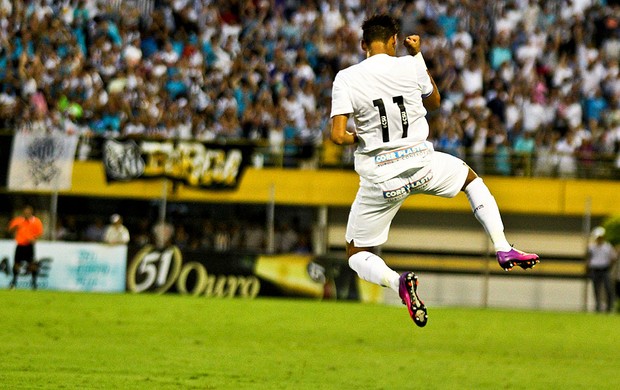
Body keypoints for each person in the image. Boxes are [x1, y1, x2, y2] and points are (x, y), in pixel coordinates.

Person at [329, 14, 540, 327]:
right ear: (393, 41)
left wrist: (357, 136)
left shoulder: (346, 78)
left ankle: (397, 282)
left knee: (356, 252)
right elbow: (436, 101)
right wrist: (417, 56)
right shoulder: (410, 63)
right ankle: (502, 247)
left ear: (363, 45)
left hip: (380, 176)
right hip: (421, 162)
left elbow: (336, 136)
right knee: (471, 179)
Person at [8, 205, 44, 290]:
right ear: (23, 212)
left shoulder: (36, 221)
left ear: (31, 212)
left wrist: (34, 238)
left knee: (32, 264)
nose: (26, 213)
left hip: (29, 246)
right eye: (25, 212)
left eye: (28, 212)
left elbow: (39, 232)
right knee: (16, 264)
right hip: (20, 245)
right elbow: (10, 230)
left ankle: (34, 283)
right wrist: (14, 228)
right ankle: (14, 283)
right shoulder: (18, 220)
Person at [586, 227, 617, 313]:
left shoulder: (607, 247)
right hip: (595, 269)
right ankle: (597, 306)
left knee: (608, 288)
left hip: (605, 269)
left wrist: (609, 265)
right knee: (596, 288)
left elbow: (613, 257)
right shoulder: (592, 247)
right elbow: (588, 258)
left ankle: (609, 307)